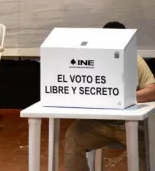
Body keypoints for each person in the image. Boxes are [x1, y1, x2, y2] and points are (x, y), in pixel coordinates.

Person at [64, 21, 155, 171]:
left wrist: (122, 98)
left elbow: (152, 90)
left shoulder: (134, 60)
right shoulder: (89, 62)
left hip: (131, 125)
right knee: (73, 136)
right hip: (99, 124)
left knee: (147, 147)